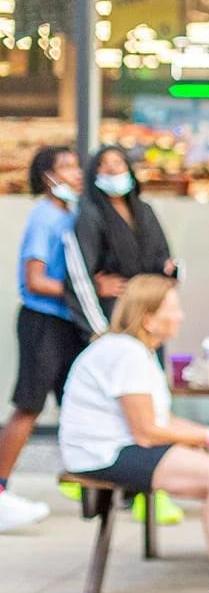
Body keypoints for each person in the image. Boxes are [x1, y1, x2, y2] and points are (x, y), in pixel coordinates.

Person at [58, 275, 209, 593]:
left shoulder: (137, 351)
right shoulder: (126, 354)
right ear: (148, 319)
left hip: (119, 446)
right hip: (100, 455)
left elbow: (161, 420)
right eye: (173, 309)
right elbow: (147, 432)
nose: (180, 316)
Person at [0, 147, 88, 532]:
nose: (76, 172)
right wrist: (84, 289)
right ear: (47, 177)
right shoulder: (45, 216)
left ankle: (89, 485)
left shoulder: (73, 215)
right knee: (29, 405)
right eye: (65, 166)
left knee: (76, 404)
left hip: (68, 323)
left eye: (76, 165)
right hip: (43, 323)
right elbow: (34, 279)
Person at [68, 145, 176, 337]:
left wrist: (168, 269)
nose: (112, 168)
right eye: (103, 164)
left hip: (148, 312)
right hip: (113, 313)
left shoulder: (144, 211)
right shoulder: (91, 215)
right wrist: (101, 333)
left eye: (118, 162)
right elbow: (80, 275)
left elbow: (162, 254)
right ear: (94, 173)